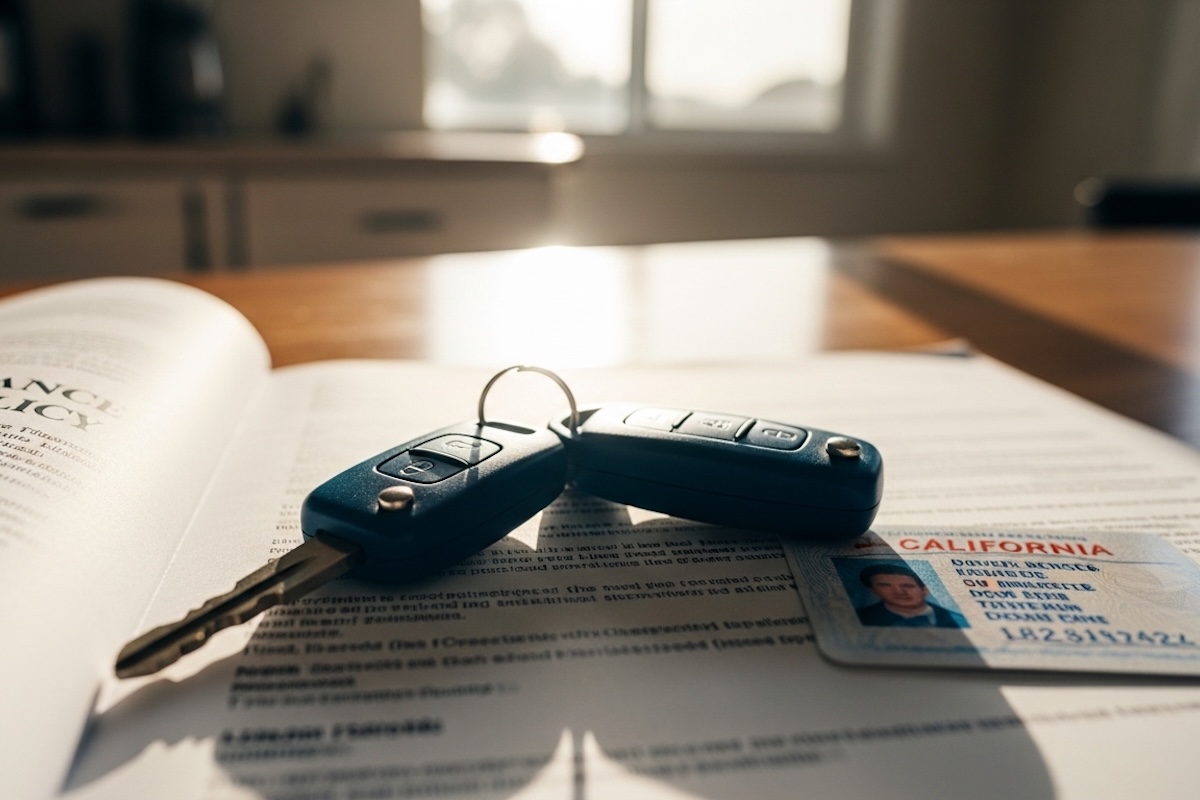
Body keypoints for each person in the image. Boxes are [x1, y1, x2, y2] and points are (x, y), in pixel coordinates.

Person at [855, 564, 967, 628]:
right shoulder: (859, 617)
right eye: (886, 586)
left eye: (908, 586)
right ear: (874, 590)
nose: (899, 592)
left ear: (924, 590)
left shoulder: (960, 620)